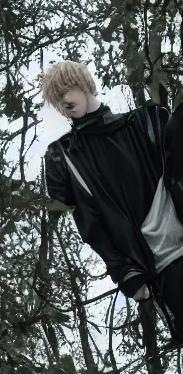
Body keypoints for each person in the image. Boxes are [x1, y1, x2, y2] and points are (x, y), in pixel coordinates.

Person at [41, 60, 183, 343]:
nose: (64, 101)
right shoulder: (65, 158)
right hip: (163, 269)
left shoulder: (148, 121)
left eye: (67, 88)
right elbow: (91, 228)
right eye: (57, 98)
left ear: (85, 84)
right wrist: (124, 272)